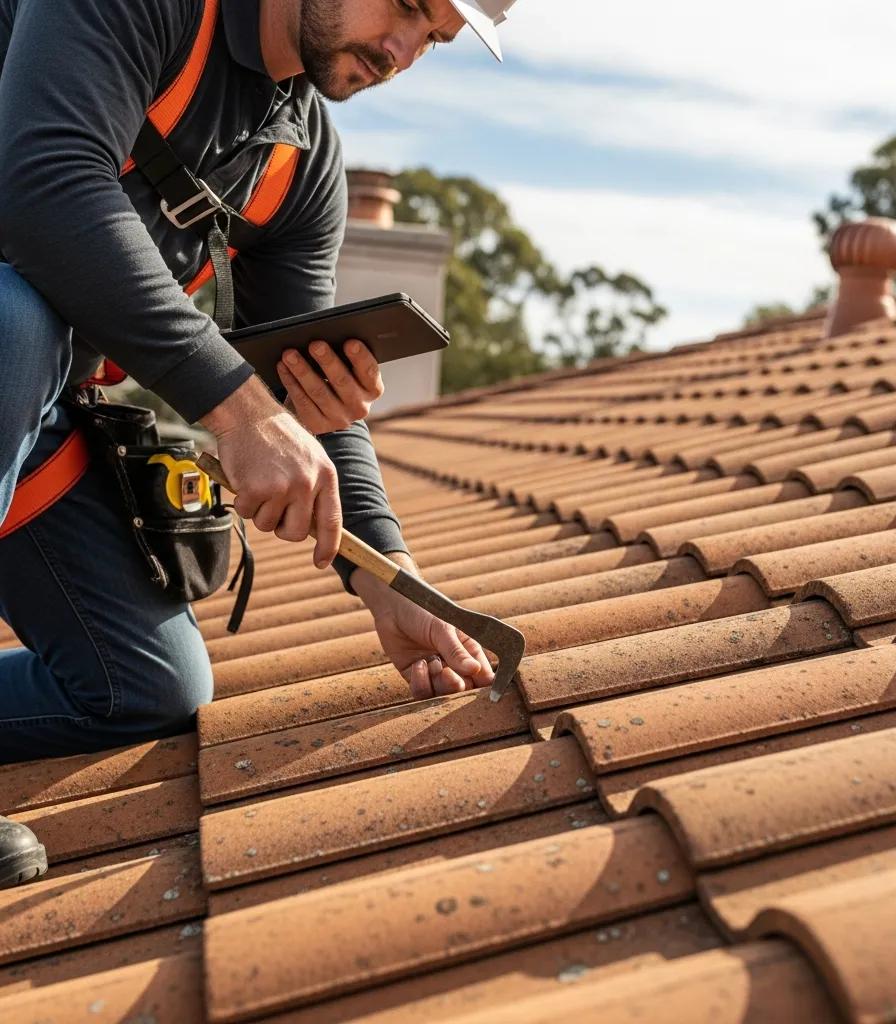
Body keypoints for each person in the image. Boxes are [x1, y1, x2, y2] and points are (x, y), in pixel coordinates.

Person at [0, 0, 520, 887]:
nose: (401, 51)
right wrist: (239, 412)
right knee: (16, 317)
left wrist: (387, 575)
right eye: (404, 4)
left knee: (148, 687)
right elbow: (46, 179)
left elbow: (312, 391)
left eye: (432, 38)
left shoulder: (299, 161)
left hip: (31, 404)